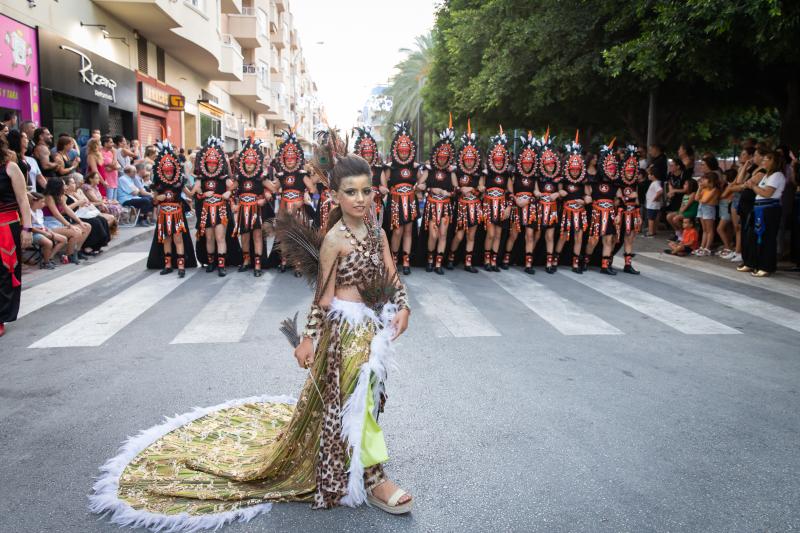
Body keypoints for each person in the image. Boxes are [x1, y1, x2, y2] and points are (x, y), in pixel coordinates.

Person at [89, 139, 414, 530]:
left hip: (373, 330)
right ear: (335, 195)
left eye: (366, 190)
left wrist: (404, 305)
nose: (360, 199)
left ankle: (357, 457)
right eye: (351, 192)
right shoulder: (334, 240)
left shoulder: (376, 231)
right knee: (354, 401)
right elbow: (322, 299)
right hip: (343, 335)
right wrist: (308, 339)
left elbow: (392, 274)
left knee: (367, 400)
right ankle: (374, 478)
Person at [146, 141, 197, 277]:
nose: (168, 174)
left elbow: (190, 194)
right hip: (163, 214)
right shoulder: (158, 184)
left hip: (177, 214)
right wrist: (159, 198)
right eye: (166, 171)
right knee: (166, 239)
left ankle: (181, 266)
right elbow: (154, 200)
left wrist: (199, 184)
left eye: (170, 171)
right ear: (161, 170)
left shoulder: (179, 182)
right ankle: (168, 265)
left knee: (178, 238)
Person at [190, 137, 239, 275]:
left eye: (214, 163)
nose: (211, 165)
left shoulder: (224, 177)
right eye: (209, 163)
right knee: (209, 237)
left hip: (220, 210)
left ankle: (221, 265)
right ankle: (211, 263)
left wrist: (229, 192)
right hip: (206, 211)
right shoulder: (201, 177)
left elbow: (236, 185)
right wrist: (203, 193)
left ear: (218, 163)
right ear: (205, 163)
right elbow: (194, 192)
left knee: (220, 237)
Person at [0, 136, 33, 337]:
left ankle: (1, 316)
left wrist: (27, 228)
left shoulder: (10, 167)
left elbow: (23, 200)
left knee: (4, 273)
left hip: (7, 225)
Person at [739, 150, 786, 276]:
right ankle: (755, 263)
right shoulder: (767, 175)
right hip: (760, 208)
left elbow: (767, 193)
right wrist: (752, 185)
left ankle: (766, 266)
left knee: (767, 238)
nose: (763, 162)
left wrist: (753, 186)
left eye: (766, 159)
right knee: (756, 237)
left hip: (769, 209)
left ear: (773, 162)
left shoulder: (777, 175)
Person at [383, 121, 420, 275]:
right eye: (401, 150)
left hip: (411, 202)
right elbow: (383, 184)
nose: (404, 153)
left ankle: (406, 261)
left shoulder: (415, 167)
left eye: (406, 150)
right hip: (395, 202)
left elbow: (421, 182)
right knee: (397, 232)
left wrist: (420, 186)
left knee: (408, 231)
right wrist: (383, 189)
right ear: (396, 150)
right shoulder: (390, 167)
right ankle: (393, 259)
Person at [446, 123, 484, 273]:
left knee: (471, 235)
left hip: (475, 207)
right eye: (467, 159)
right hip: (461, 207)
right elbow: (455, 190)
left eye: (472, 159)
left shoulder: (478, 173)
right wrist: (462, 189)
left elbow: (481, 188)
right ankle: (450, 258)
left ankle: (468, 263)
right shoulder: (457, 172)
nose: (469, 162)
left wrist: (474, 189)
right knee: (459, 235)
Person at [274, 128, 313, 274]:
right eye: (287, 159)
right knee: (283, 234)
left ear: (297, 159)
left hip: (298, 209)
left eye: (292, 159)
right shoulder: (281, 175)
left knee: (298, 235)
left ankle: (298, 263)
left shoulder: (302, 175)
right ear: (283, 159)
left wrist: (305, 199)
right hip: (284, 208)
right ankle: (284, 261)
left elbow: (313, 191)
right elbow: (273, 188)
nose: (290, 161)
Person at [419, 125, 456, 274]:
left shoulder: (451, 172)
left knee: (443, 234)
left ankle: (438, 263)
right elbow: (418, 185)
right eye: (440, 157)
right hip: (432, 206)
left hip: (446, 207)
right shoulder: (429, 170)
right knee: (433, 234)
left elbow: (456, 190)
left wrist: (449, 193)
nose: (442, 159)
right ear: (436, 156)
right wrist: (430, 189)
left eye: (445, 157)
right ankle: (429, 260)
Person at [232, 138, 268, 276]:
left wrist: (264, 199)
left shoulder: (261, 178)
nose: (249, 166)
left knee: (257, 237)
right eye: (247, 163)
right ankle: (246, 261)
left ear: (256, 163)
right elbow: (228, 191)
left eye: (252, 163)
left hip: (256, 212)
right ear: (243, 163)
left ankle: (257, 265)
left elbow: (274, 190)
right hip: (243, 212)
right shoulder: (239, 178)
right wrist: (233, 204)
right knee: (245, 237)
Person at [504, 133, 539, 274]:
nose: (527, 165)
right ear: (521, 162)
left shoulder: (534, 177)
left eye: (530, 163)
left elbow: (537, 194)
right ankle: (506, 259)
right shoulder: (514, 175)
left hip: (530, 208)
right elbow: (509, 192)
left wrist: (530, 199)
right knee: (513, 235)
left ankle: (528, 264)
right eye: (525, 162)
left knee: (530, 235)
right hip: (517, 207)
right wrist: (517, 201)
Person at [555, 136, 591, 273]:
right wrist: (560, 191)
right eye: (573, 168)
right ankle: (554, 261)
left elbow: (589, 196)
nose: (575, 171)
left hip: (580, 212)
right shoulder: (563, 179)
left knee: (579, 237)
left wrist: (585, 199)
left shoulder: (584, 180)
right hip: (566, 211)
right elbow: (558, 191)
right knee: (563, 236)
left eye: (577, 169)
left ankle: (575, 264)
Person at [584, 140, 620, 274]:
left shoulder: (616, 184)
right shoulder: (594, 181)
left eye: (613, 168)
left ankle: (605, 266)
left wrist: (618, 211)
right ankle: (585, 262)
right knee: (593, 240)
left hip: (610, 214)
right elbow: (587, 193)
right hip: (596, 214)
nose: (612, 170)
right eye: (609, 167)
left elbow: (619, 199)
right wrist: (586, 197)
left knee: (609, 239)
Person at [481, 128, 513, 272]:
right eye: (496, 160)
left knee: (499, 234)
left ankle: (494, 261)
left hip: (502, 207)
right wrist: (481, 187)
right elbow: (480, 186)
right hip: (488, 206)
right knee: (491, 234)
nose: (499, 163)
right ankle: (486, 260)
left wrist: (508, 207)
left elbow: (511, 194)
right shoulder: (486, 173)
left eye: (501, 160)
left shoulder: (507, 175)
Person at [42, 176, 89, 264]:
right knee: (76, 232)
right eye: (64, 185)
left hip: (59, 223)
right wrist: (69, 225)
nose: (66, 187)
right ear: (57, 186)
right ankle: (69, 255)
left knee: (87, 226)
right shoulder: (49, 197)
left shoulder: (60, 197)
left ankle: (76, 251)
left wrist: (80, 222)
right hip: (49, 224)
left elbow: (68, 210)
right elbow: (56, 214)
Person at [535, 132, 562, 274]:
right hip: (539, 210)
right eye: (547, 164)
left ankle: (549, 263)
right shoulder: (538, 177)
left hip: (552, 210)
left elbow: (563, 192)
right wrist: (540, 194)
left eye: (552, 164)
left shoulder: (558, 178)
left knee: (550, 236)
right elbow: (534, 191)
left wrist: (557, 194)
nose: (550, 166)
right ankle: (528, 260)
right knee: (536, 236)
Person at [64, 174, 110, 254]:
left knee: (102, 219)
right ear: (66, 185)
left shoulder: (74, 193)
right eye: (73, 183)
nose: (75, 184)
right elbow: (65, 209)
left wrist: (84, 203)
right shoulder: (64, 196)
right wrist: (78, 203)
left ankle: (97, 245)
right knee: (95, 222)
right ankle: (87, 246)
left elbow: (83, 202)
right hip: (74, 216)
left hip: (81, 214)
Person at [617, 145, 642, 274]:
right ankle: (606, 262)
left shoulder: (634, 182)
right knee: (614, 239)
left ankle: (627, 264)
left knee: (630, 238)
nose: (630, 172)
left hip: (632, 213)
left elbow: (636, 200)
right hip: (620, 213)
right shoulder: (619, 181)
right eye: (628, 169)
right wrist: (627, 198)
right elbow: (617, 200)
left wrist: (638, 214)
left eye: (633, 170)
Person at [28, 191, 67, 269]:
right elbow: (30, 228)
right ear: (34, 202)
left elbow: (41, 224)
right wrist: (44, 232)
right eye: (42, 202)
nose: (44, 204)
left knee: (63, 239)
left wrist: (48, 231)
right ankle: (46, 263)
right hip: (33, 233)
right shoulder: (29, 212)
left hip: (42, 230)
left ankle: (48, 258)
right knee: (48, 243)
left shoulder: (39, 211)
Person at [694, 166, 721, 256]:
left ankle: (707, 248)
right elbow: (696, 198)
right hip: (702, 208)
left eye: (705, 179)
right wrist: (699, 188)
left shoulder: (714, 190)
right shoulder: (704, 189)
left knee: (709, 230)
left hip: (709, 208)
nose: (702, 181)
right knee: (704, 229)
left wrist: (700, 199)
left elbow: (704, 200)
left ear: (711, 181)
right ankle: (702, 247)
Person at [716, 168, 737, 258]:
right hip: (724, 209)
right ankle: (728, 244)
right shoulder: (727, 185)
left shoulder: (730, 185)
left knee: (719, 229)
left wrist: (721, 186)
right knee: (728, 228)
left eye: (724, 176)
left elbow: (723, 195)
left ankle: (728, 247)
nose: (723, 177)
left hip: (727, 210)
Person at [99, 136, 121, 201]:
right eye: (111, 142)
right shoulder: (101, 153)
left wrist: (114, 154)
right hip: (108, 181)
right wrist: (115, 154)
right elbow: (114, 165)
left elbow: (118, 166)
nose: (113, 144)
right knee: (109, 201)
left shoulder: (110, 152)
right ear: (105, 143)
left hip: (114, 179)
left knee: (114, 201)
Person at [645, 166, 664, 237]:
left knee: (651, 218)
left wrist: (655, 198)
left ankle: (650, 232)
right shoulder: (657, 182)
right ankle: (654, 230)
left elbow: (660, 191)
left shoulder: (655, 183)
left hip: (652, 205)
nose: (648, 176)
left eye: (649, 174)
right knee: (655, 218)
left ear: (653, 175)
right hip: (655, 205)